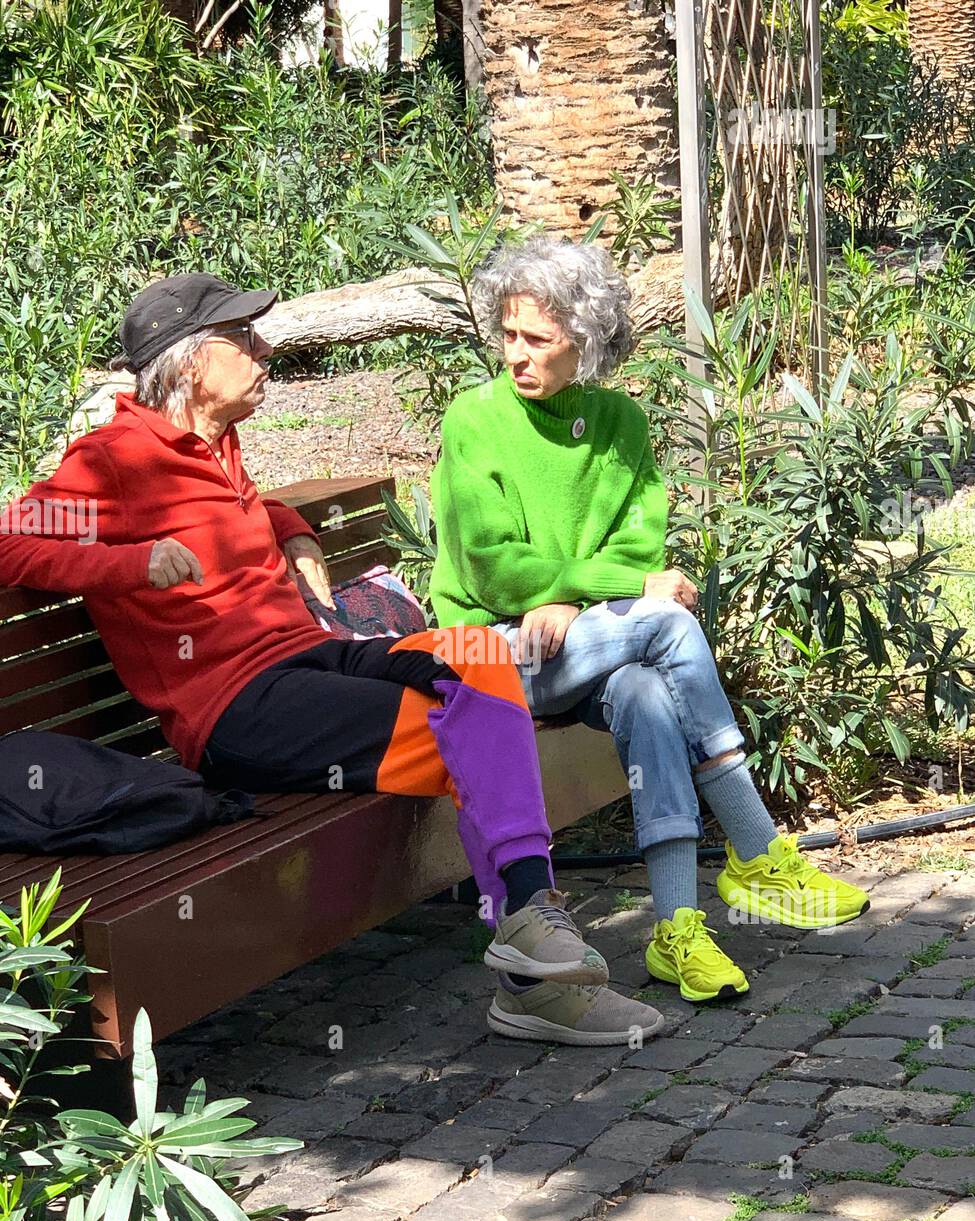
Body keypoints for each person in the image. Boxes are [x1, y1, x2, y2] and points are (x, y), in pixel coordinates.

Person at [0, 272, 665, 1048]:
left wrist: (285, 522)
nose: (264, 349)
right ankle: (533, 974)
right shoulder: (113, 458)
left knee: (480, 659)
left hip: (311, 658)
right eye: (241, 339)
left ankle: (528, 944)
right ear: (187, 364)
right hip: (237, 709)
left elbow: (226, 511)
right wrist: (130, 565)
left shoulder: (217, 442)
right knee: (474, 728)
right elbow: (13, 542)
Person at [430, 235, 869, 1018]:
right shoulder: (475, 421)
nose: (516, 356)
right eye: (507, 335)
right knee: (664, 622)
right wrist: (607, 589)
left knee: (645, 694)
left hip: (587, 643)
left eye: (538, 339)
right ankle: (755, 843)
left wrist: (572, 596)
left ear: (587, 342)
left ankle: (676, 928)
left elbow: (636, 540)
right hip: (488, 657)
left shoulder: (619, 423)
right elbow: (494, 568)